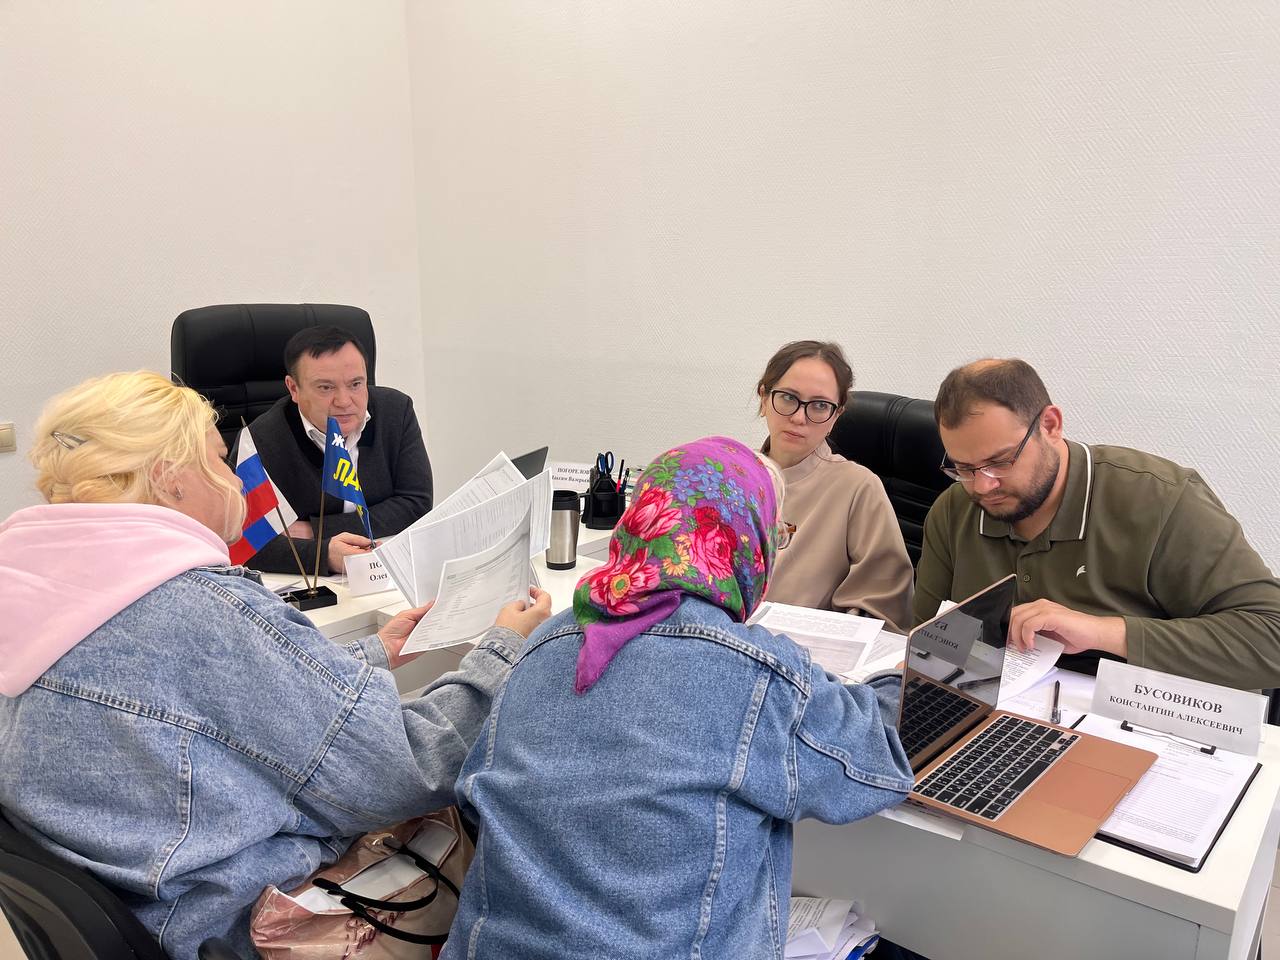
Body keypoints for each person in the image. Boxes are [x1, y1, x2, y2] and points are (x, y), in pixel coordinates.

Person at [0, 371, 551, 959]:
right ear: (169, 477)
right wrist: (503, 649)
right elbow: (410, 769)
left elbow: (204, 705)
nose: (235, 478)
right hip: (234, 924)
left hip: (139, 908)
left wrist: (373, 653)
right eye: (219, 460)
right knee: (507, 801)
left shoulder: (30, 588)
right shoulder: (201, 610)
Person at [441, 436, 913, 960]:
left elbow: (476, 797)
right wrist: (896, 679)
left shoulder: (541, 643)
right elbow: (874, 764)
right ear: (744, 542)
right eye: (776, 536)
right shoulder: (756, 674)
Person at [914, 358, 1280, 689]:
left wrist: (1104, 632)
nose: (982, 486)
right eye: (963, 468)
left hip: (1148, 721)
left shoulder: (1160, 499)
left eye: (1001, 462)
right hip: (1009, 715)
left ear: (1050, 425)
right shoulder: (954, 510)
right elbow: (922, 644)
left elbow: (1271, 636)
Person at [241, 325, 433, 575]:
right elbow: (243, 542)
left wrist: (315, 530)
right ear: (294, 389)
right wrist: (324, 556)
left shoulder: (396, 411)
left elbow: (416, 504)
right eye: (325, 388)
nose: (344, 401)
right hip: (310, 583)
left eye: (355, 384)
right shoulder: (261, 439)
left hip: (387, 566)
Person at [755, 340, 914, 633]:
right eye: (788, 397)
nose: (799, 417)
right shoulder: (731, 477)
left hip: (810, 651)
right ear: (764, 398)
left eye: (819, 406)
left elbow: (882, 609)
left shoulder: (858, 487)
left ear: (836, 416)